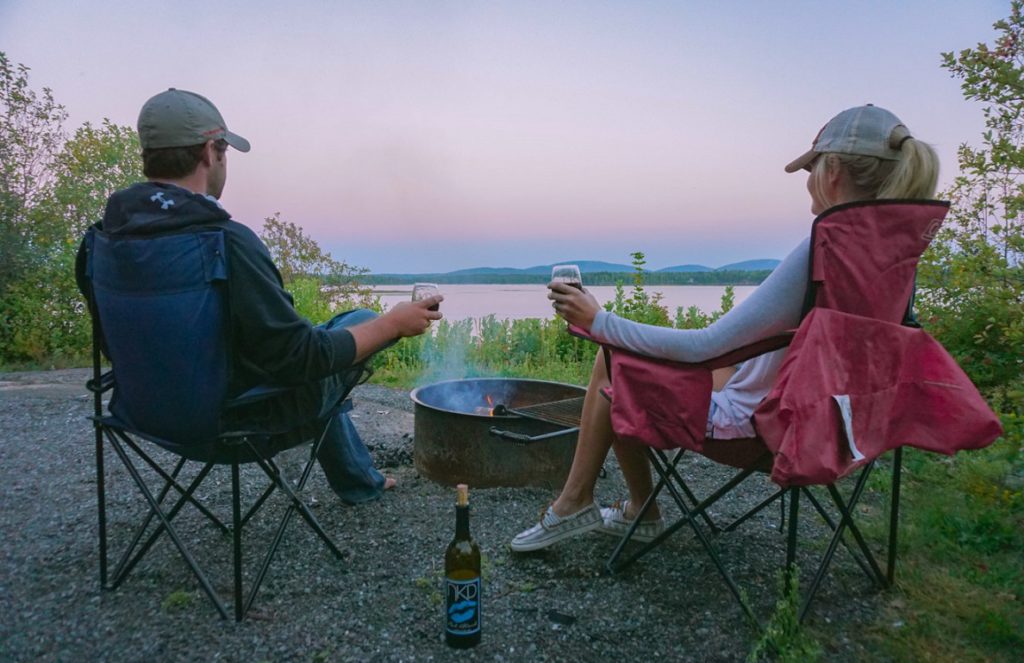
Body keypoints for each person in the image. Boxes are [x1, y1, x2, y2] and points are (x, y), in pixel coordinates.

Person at [510, 104, 940, 551]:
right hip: (836, 422)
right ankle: (635, 508)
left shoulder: (823, 245)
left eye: (811, 168)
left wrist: (599, 321)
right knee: (627, 361)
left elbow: (706, 345)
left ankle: (578, 503)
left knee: (613, 360)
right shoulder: (890, 258)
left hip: (767, 425)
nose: (807, 179)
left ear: (832, 172)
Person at [76, 88, 442, 505]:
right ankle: (358, 482)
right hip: (237, 422)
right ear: (210, 152)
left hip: (144, 415)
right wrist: (392, 323)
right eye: (225, 152)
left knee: (330, 336)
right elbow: (302, 360)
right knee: (359, 321)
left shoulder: (101, 241)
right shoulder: (225, 243)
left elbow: (116, 343)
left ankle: (359, 479)